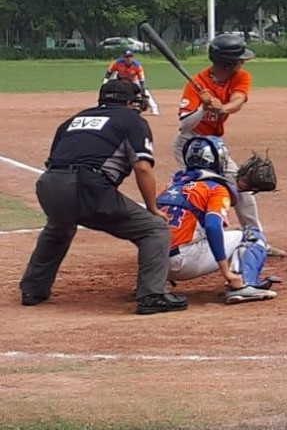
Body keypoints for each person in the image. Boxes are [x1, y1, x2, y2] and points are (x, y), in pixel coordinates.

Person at [19, 81, 187, 315]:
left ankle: (33, 289)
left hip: (48, 185)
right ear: (130, 103)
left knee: (59, 227)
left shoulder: (73, 120)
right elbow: (142, 168)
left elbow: (54, 161)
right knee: (155, 229)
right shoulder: (132, 120)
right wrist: (152, 208)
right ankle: (151, 295)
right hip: (87, 186)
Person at [173, 34, 287, 256]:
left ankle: (257, 239)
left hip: (216, 146)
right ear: (228, 62)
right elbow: (184, 125)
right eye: (239, 59)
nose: (243, 63)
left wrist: (222, 108)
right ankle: (199, 242)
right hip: (191, 146)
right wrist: (203, 108)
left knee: (242, 187)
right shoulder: (197, 84)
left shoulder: (240, 77)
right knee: (204, 191)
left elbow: (238, 100)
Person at [159, 136, 277, 304]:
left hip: (155, 262)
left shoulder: (173, 183)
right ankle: (243, 285)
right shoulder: (215, 188)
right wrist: (225, 272)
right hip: (183, 262)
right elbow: (213, 227)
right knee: (250, 234)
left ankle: (154, 283)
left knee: (187, 228)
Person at [104, 49, 159, 115]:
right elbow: (109, 72)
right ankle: (106, 105)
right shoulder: (117, 63)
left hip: (133, 80)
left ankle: (154, 108)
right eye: (127, 57)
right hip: (120, 79)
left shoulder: (137, 65)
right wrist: (105, 82)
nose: (129, 58)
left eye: (130, 56)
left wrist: (143, 92)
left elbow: (142, 80)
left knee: (145, 91)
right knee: (110, 88)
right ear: (123, 57)